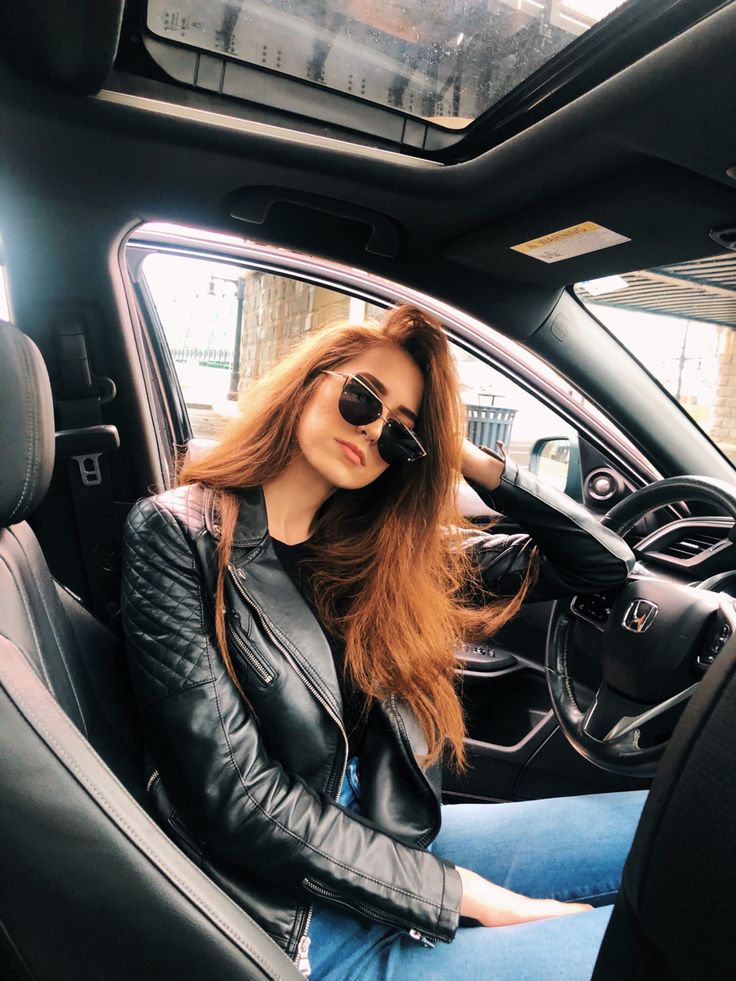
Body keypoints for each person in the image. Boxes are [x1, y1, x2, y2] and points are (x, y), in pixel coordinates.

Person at [120, 304, 643, 981]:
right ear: (311, 379)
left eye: (401, 434)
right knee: (649, 949)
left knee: (670, 823)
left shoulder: (375, 554)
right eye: (362, 397)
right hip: (295, 917)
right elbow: (236, 798)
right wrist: (467, 897)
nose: (372, 430)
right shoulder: (178, 534)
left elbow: (601, 565)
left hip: (381, 838)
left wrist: (466, 456)